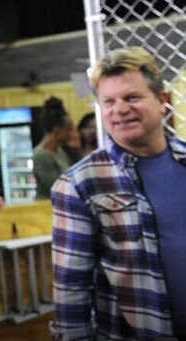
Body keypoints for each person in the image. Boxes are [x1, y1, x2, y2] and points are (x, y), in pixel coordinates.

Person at [51, 47, 185, 340]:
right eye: (108, 101)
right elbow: (71, 290)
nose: (119, 109)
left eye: (132, 97)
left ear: (162, 101)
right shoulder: (79, 183)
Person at [31, 97, 75, 199]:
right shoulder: (40, 156)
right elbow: (57, 187)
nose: (72, 134)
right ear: (57, 130)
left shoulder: (60, 152)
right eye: (68, 130)